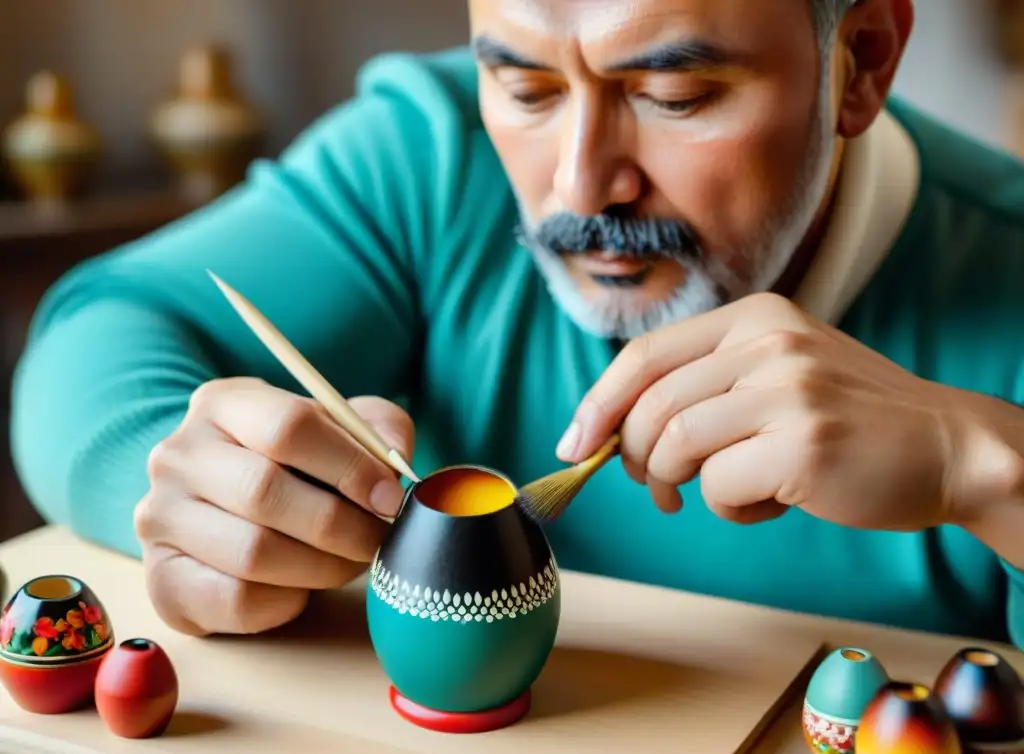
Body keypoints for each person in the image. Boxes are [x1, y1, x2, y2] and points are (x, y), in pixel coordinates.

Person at [9, 0, 1024, 646]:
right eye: (526, 86)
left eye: (672, 94)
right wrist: (189, 489)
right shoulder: (432, 153)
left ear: (862, 61)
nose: (578, 184)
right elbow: (102, 330)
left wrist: (981, 471)